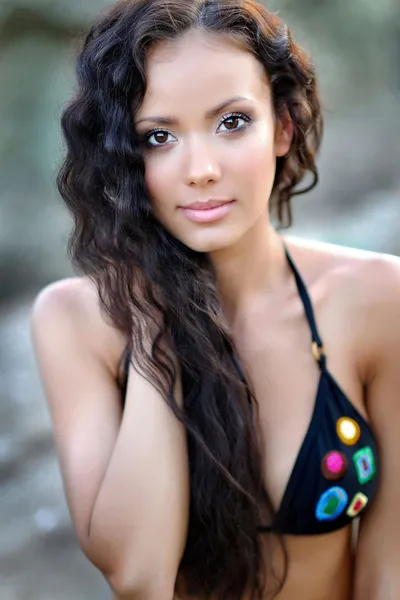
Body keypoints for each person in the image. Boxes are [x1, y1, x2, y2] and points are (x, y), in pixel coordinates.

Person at [30, 1, 400, 599]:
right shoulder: (76, 322)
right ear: (121, 155)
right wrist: (155, 326)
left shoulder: (379, 299)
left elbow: (391, 571)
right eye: (158, 136)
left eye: (231, 122)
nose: (199, 169)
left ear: (283, 126)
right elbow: (140, 575)